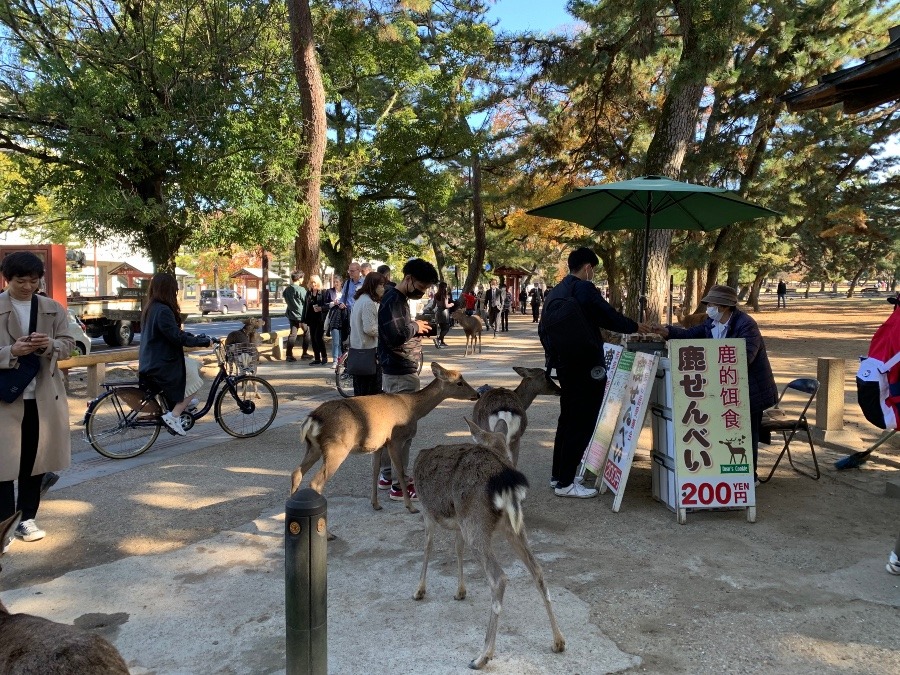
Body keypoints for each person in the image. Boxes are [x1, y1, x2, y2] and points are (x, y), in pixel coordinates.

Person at [650, 284, 777, 484]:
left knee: (746, 433)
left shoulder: (746, 325)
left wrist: (712, 361)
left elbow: (745, 357)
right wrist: (667, 331)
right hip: (725, 389)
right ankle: (725, 473)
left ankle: (748, 478)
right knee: (727, 431)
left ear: (725, 306)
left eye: (712, 303)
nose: (709, 307)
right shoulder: (711, 322)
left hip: (750, 390)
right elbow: (691, 334)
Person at [542, 247, 641, 498]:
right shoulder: (583, 289)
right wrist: (635, 326)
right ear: (588, 268)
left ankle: (558, 476)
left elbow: (544, 331)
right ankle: (566, 484)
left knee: (567, 420)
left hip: (564, 365)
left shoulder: (556, 291)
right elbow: (608, 316)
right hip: (586, 367)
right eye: (593, 270)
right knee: (582, 422)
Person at [0, 251, 74, 547]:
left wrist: (49, 345)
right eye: (21, 280)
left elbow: (70, 346)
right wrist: (10, 353)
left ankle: (26, 518)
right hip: (5, 399)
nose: (28, 286)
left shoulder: (52, 308)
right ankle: (4, 524)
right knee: (4, 464)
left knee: (35, 461)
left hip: (42, 397)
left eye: (34, 280)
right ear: (7, 278)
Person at [377, 258, 438, 500]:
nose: (421, 292)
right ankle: (398, 486)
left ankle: (387, 475)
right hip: (400, 374)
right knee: (403, 432)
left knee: (391, 431)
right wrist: (415, 326)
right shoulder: (393, 299)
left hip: (399, 371)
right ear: (409, 279)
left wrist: (416, 326)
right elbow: (395, 336)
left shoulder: (397, 299)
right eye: (421, 287)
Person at [138, 272, 211, 437]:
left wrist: (196, 338)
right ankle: (174, 414)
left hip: (152, 360)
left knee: (193, 365)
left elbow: (173, 333)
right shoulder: (163, 310)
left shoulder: (151, 307)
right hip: (160, 363)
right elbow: (176, 337)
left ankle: (183, 400)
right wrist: (202, 342)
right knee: (195, 379)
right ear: (169, 290)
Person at [350, 272, 386, 396]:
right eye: (381, 285)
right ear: (373, 285)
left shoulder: (360, 299)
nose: (383, 288)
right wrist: (387, 333)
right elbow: (370, 329)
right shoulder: (368, 303)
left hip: (357, 351)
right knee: (370, 393)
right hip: (368, 353)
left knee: (360, 392)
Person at [282, 271, 309, 362]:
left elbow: (285, 297)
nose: (303, 280)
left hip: (291, 315)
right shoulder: (301, 290)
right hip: (302, 316)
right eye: (302, 278)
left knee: (293, 335)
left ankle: (289, 355)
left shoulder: (287, 290)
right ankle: (304, 353)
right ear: (299, 278)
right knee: (307, 333)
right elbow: (306, 302)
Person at [304, 275, 328, 365]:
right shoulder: (309, 293)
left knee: (318, 337)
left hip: (320, 318)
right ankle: (317, 358)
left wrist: (321, 308)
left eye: (315, 282)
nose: (313, 284)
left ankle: (324, 356)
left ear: (318, 283)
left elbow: (327, 305)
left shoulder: (323, 292)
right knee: (313, 339)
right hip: (311, 318)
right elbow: (306, 306)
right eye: (311, 282)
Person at [324, 276, 348, 368]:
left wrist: (344, 304)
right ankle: (335, 360)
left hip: (344, 317)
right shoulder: (330, 292)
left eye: (337, 282)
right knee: (335, 341)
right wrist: (333, 303)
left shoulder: (345, 292)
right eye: (334, 282)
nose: (336, 284)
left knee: (343, 340)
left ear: (341, 282)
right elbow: (325, 305)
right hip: (334, 318)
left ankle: (342, 359)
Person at [431, 281, 453, 349]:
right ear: (444, 287)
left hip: (438, 312)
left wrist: (429, 309)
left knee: (442, 328)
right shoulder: (444, 295)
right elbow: (445, 305)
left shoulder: (436, 295)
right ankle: (439, 339)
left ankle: (442, 342)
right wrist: (452, 304)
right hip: (444, 312)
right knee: (446, 328)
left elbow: (433, 305)